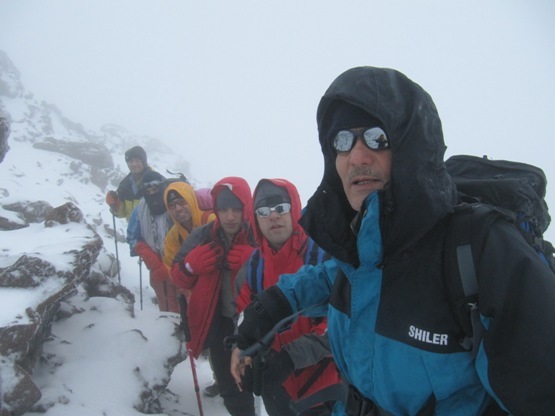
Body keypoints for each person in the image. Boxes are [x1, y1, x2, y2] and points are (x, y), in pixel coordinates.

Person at [235, 66, 555, 416]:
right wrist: (265, 311)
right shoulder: (359, 246)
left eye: (377, 137)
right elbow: (334, 278)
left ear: (410, 146)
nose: (357, 156)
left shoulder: (480, 250)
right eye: (342, 140)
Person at [231, 178, 342, 415]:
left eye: (281, 207)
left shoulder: (325, 255)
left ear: (294, 209)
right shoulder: (252, 267)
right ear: (255, 219)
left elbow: (340, 324)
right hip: (274, 384)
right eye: (263, 210)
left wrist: (290, 357)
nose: (273, 216)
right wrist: (240, 347)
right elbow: (243, 311)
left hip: (326, 386)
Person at [171, 176, 257, 416]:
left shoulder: (258, 235)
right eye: (223, 209)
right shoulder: (203, 235)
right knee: (230, 388)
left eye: (236, 209)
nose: (229, 216)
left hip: (254, 323)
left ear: (245, 208)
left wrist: (255, 260)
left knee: (262, 382)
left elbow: (283, 274)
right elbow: (177, 275)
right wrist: (190, 267)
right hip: (219, 324)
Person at [162, 180, 219, 397]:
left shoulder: (210, 219)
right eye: (173, 206)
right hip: (198, 295)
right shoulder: (173, 238)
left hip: (224, 292)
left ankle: (236, 380)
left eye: (181, 202)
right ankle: (220, 379)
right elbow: (171, 269)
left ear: (191, 200)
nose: (178, 209)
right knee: (212, 341)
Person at [127, 170, 177, 313]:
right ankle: (168, 326)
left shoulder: (174, 205)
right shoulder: (140, 210)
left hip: (177, 264)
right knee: (162, 296)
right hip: (155, 263)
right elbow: (132, 237)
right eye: (147, 190)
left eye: (155, 189)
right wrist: (153, 262)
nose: (152, 193)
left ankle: (182, 327)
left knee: (181, 296)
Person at [106, 145, 152, 221]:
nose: (134, 164)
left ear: (144, 162)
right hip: (133, 231)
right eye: (131, 161)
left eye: (137, 161)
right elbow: (123, 213)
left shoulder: (155, 181)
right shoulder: (125, 185)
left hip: (154, 231)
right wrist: (115, 204)